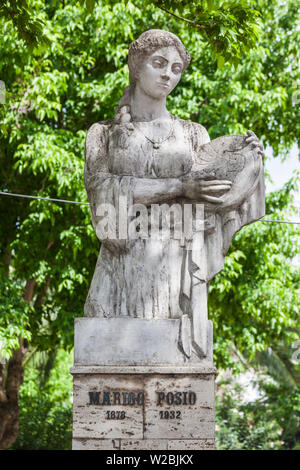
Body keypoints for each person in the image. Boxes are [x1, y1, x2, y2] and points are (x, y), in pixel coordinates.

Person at [83, 29, 264, 359]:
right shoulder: (103, 135)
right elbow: (102, 192)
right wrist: (180, 187)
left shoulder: (195, 135)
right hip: (119, 269)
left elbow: (214, 195)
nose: (168, 73)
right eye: (159, 63)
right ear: (137, 66)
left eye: (176, 68)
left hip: (176, 266)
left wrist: (246, 162)